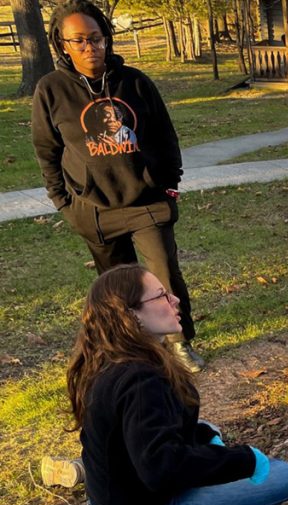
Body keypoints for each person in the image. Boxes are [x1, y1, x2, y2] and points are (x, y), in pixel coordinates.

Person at [67, 264, 288, 505]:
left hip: (119, 495)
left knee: (207, 430)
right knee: (282, 475)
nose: (175, 300)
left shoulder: (114, 356)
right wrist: (245, 460)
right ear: (131, 315)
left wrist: (205, 444)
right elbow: (162, 469)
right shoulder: (139, 379)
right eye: (161, 296)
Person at [32, 0, 204, 373]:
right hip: (94, 210)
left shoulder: (136, 82)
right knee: (117, 289)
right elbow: (47, 152)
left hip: (146, 202)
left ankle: (178, 344)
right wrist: (66, 204)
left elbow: (164, 135)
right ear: (62, 44)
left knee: (164, 275)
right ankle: (133, 350)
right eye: (78, 40)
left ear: (106, 38)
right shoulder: (51, 89)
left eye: (95, 38)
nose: (89, 47)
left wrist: (169, 186)